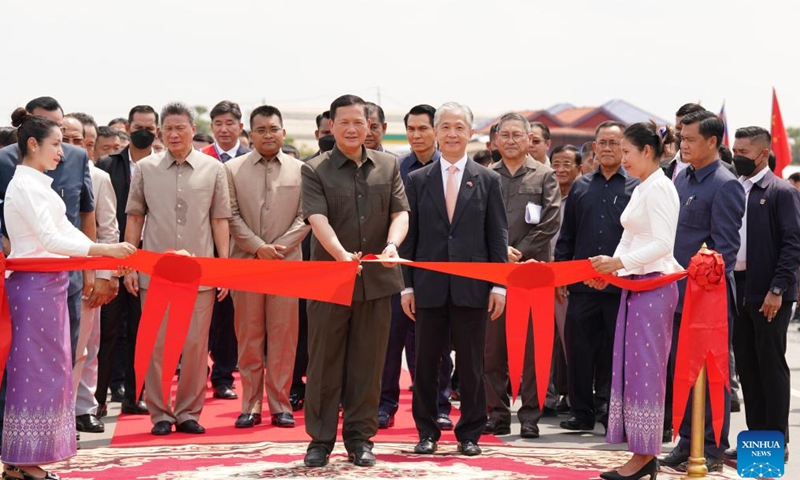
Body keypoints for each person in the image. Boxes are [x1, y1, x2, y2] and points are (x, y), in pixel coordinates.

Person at [1, 108, 135, 480]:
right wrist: (105, 251)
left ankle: (24, 460)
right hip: (32, 291)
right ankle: (22, 461)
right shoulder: (24, 186)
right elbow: (50, 239)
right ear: (33, 144)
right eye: (56, 144)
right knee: (35, 373)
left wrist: (106, 249)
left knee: (53, 371)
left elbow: (70, 234)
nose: (62, 152)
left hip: (51, 287)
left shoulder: (38, 185)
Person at [300, 94, 408, 468]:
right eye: (343, 122)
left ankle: (360, 439)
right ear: (331, 125)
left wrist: (393, 244)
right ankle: (320, 439)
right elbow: (317, 219)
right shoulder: (314, 169)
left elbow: (400, 213)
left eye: (358, 122)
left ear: (369, 126)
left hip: (377, 281)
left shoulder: (389, 165)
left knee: (369, 361)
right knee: (324, 362)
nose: (351, 129)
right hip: (329, 279)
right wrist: (340, 254)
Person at [401, 102, 508, 457]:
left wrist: (498, 285)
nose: (451, 134)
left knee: (472, 365)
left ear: (471, 132)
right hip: (428, 287)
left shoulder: (489, 179)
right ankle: (427, 431)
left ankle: (470, 434)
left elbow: (497, 237)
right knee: (426, 364)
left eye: (459, 127)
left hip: (473, 289)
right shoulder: (417, 180)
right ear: (435, 131)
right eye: (444, 127)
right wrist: (408, 286)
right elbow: (411, 238)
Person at [123, 101, 232, 436]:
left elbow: (220, 221)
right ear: (159, 131)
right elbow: (135, 219)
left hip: (199, 274)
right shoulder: (145, 169)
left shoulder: (213, 169)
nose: (173, 134)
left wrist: (223, 268)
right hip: (154, 272)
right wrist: (128, 266)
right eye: (167, 128)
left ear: (192, 129)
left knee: (196, 346)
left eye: (180, 127)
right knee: (156, 345)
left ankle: (187, 411)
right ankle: (160, 413)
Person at [589, 122, 683, 480]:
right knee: (630, 370)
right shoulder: (644, 187)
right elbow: (630, 239)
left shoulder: (660, 188)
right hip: (636, 286)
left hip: (654, 287)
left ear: (647, 151)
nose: (622, 159)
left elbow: (663, 244)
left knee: (646, 372)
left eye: (627, 152)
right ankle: (640, 453)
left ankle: (645, 456)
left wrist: (618, 265)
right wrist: (610, 272)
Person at [659, 110, 745, 473]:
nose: (684, 145)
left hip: (706, 300)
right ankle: (685, 441)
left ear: (712, 142)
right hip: (678, 295)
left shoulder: (724, 184)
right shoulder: (683, 179)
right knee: (683, 372)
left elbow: (724, 248)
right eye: (682, 139)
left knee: (710, 374)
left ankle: (710, 446)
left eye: (691, 139)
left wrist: (699, 276)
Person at [225, 105, 310, 429]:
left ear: (283, 132)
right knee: (248, 338)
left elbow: (307, 216)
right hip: (246, 265)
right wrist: (258, 247)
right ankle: (250, 405)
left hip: (287, 266)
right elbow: (230, 215)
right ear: (250, 134)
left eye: (273, 129)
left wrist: (279, 247)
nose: (268, 135)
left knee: (284, 337)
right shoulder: (232, 170)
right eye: (260, 130)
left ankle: (280, 405)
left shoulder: (301, 170)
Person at [554, 121, 639, 434]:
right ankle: (581, 411)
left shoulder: (636, 186)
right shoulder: (580, 185)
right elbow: (568, 234)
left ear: (624, 147)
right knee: (578, 350)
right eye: (601, 143)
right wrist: (562, 273)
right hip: (582, 284)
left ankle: (608, 408)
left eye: (614, 143)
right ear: (593, 147)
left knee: (613, 351)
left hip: (620, 285)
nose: (607, 148)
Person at [724, 126, 800, 463]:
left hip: (769, 293)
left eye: (743, 151)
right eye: (734, 149)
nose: (737, 156)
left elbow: (792, 244)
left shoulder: (781, 191)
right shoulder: (734, 188)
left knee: (770, 365)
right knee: (747, 368)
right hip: (737, 289)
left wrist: (777, 289)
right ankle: (755, 441)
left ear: (762, 153)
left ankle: (776, 441)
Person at [484, 113, 561, 439]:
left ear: (530, 139)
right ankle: (497, 414)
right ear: (497, 140)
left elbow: (551, 220)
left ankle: (530, 415)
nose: (511, 140)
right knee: (492, 348)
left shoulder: (544, 176)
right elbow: (478, 221)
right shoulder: (486, 176)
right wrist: (502, 251)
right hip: (495, 273)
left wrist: (521, 251)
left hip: (532, 272)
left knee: (532, 348)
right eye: (506, 135)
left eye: (518, 135)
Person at [378, 104, 453, 431]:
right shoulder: (395, 168)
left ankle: (439, 406)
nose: (416, 135)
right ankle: (385, 405)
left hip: (436, 274)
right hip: (395, 273)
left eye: (423, 128)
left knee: (435, 348)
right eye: (411, 129)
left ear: (435, 131)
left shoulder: (451, 169)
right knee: (390, 344)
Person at [95, 105, 160, 416]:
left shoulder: (162, 167)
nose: (143, 131)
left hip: (149, 259)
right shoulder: (109, 164)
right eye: (137, 126)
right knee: (108, 332)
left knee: (140, 330)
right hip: (113, 254)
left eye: (149, 126)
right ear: (128, 129)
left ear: (156, 130)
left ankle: (135, 396)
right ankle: (98, 399)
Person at [201, 100, 250, 401]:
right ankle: (197, 371)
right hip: (205, 245)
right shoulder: (202, 159)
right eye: (218, 123)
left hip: (241, 248)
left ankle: (223, 375)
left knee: (231, 316)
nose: (224, 129)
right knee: (207, 313)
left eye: (229, 123)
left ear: (240, 126)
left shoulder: (250, 158)